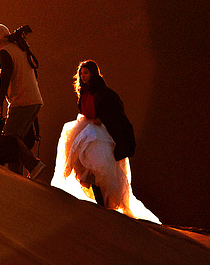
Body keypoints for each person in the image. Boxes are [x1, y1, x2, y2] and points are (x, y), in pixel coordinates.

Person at [51, 60, 160, 223]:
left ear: (93, 73)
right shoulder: (84, 92)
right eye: (81, 73)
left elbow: (116, 117)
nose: (83, 76)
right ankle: (100, 207)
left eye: (86, 73)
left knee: (101, 171)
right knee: (86, 170)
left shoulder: (105, 93)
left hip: (101, 135)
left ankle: (105, 208)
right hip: (86, 132)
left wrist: (102, 123)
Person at [0, 24, 45, 179]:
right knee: (17, 140)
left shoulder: (6, 52)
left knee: (10, 139)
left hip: (22, 101)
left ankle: (33, 165)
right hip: (35, 100)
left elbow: (4, 79)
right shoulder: (20, 48)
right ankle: (16, 176)